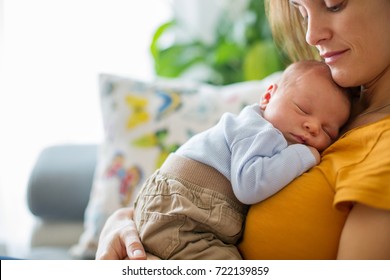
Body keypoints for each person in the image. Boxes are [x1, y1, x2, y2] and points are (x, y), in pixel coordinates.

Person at [96, 0, 390, 260]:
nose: (311, 36)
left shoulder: (379, 144)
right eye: (301, 12)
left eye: (334, 4)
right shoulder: (320, 100)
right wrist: (125, 221)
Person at [131, 60, 350, 260]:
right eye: (302, 109)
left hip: (181, 209)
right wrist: (304, 154)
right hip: (184, 210)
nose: (313, 127)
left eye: (327, 130)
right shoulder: (260, 130)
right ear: (267, 97)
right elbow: (249, 185)